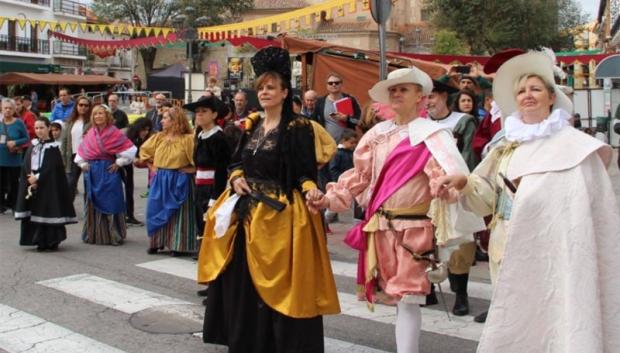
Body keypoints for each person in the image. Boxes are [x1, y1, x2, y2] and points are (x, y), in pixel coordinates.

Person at [434, 51, 620, 353]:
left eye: (535, 89)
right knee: (520, 323)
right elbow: (487, 198)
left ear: (551, 97)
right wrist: (464, 182)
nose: (527, 95)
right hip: (506, 247)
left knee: (560, 317)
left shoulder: (578, 148)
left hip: (558, 250)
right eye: (521, 91)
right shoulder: (505, 148)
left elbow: (588, 212)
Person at [308, 67, 483, 353]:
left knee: (409, 297)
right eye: (393, 89)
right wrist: (329, 199)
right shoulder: (377, 135)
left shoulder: (433, 136)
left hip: (414, 229)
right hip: (381, 228)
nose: (396, 93)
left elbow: (446, 178)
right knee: (394, 297)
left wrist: (448, 186)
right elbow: (360, 176)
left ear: (421, 97)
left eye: (404, 88)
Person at [197, 47, 340, 353]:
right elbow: (235, 163)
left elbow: (303, 173)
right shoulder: (252, 126)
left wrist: (312, 189)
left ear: (285, 92)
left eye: (271, 87)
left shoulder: (299, 127)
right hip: (247, 216)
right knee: (244, 285)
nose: (264, 92)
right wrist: (236, 179)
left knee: (283, 287)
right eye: (260, 87)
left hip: (283, 216)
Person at [426, 80, 480, 316]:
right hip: (427, 189)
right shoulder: (419, 125)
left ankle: (461, 293)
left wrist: (458, 185)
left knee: (460, 242)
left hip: (455, 188)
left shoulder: (462, 122)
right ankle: (427, 285)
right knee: (425, 239)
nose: (428, 101)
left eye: (432, 96)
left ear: (444, 97)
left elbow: (468, 156)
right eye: (425, 97)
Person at [75, 105, 137, 245]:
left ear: (107, 115)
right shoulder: (91, 133)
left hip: (108, 170)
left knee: (111, 200)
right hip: (93, 171)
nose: (98, 116)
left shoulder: (114, 133)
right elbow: (82, 150)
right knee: (93, 200)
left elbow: (130, 149)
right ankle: (94, 234)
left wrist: (119, 162)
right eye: (95, 114)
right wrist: (82, 164)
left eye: (101, 113)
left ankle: (113, 234)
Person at [139, 107, 196, 256]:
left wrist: (192, 170)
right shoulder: (159, 137)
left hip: (179, 179)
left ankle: (176, 244)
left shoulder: (188, 139)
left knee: (177, 213)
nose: (162, 121)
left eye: (165, 118)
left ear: (175, 121)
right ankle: (157, 242)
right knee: (155, 208)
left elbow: (198, 159)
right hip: (161, 178)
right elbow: (144, 151)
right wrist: (152, 166)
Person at [15, 117, 77, 251]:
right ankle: (36, 239)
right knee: (34, 209)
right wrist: (30, 178)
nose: (39, 131)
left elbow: (52, 167)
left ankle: (50, 240)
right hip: (32, 180)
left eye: (42, 128)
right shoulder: (34, 145)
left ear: (48, 128)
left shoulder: (53, 147)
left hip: (48, 184)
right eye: (36, 128)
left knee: (47, 210)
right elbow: (26, 163)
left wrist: (38, 178)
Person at [312, 73, 362, 142]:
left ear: (341, 84)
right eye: (330, 83)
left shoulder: (350, 99)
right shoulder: (320, 102)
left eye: (337, 83)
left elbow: (359, 120)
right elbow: (314, 121)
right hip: (328, 144)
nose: (334, 85)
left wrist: (346, 118)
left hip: (347, 144)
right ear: (327, 85)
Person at [0, 98, 30, 214]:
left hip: (14, 158)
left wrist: (16, 143)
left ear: (14, 110)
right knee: (1, 183)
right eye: (5, 108)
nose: (7, 110)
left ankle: (13, 205)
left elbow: (26, 138)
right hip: (0, 158)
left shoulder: (19, 122)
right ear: (2, 109)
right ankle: (1, 205)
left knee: (14, 183)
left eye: (10, 108)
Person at [61, 96, 92, 202]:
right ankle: (68, 211)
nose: (83, 107)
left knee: (88, 185)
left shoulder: (92, 122)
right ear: (76, 106)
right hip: (73, 156)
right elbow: (64, 141)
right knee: (70, 184)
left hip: (88, 157)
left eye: (86, 105)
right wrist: (63, 158)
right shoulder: (70, 121)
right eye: (80, 105)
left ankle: (89, 212)